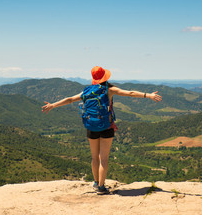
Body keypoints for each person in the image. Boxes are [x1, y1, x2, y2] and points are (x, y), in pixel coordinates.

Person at [42, 66, 162, 195]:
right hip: (106, 127)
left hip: (91, 126)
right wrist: (148, 95)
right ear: (105, 77)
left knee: (95, 157)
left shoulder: (87, 91)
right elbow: (130, 93)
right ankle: (101, 187)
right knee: (103, 158)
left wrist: (53, 105)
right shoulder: (108, 90)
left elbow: (70, 99)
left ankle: (95, 182)